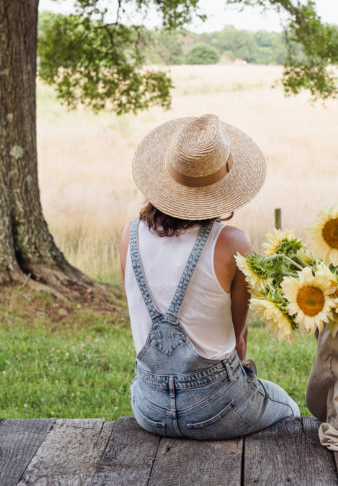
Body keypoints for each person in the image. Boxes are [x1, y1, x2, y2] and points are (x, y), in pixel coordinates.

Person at [120, 113, 300, 439]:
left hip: (149, 406)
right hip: (217, 407)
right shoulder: (232, 242)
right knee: (289, 409)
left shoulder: (129, 235)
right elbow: (239, 337)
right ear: (223, 187)